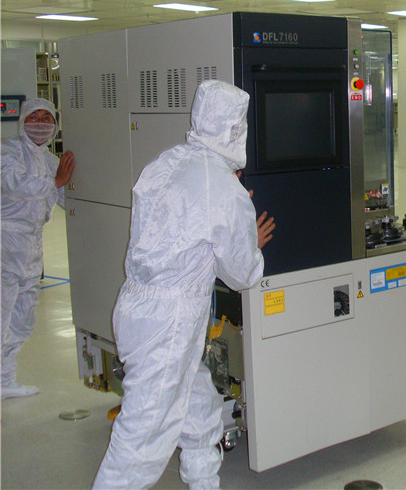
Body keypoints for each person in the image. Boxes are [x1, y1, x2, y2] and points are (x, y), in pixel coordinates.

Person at [92, 80, 275, 490]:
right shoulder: (224, 189)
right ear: (235, 128)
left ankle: (204, 483)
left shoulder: (166, 162)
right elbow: (242, 274)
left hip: (136, 307)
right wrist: (250, 237)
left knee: (200, 410)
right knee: (142, 440)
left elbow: (181, 231)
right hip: (170, 323)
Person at [1, 98, 75, 399]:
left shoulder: (48, 159)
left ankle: (4, 379)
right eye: (35, 117)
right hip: (6, 240)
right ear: (23, 121)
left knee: (22, 317)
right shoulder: (8, 150)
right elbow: (13, 183)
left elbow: (66, 193)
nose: (41, 123)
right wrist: (55, 181)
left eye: (47, 118)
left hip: (31, 244)